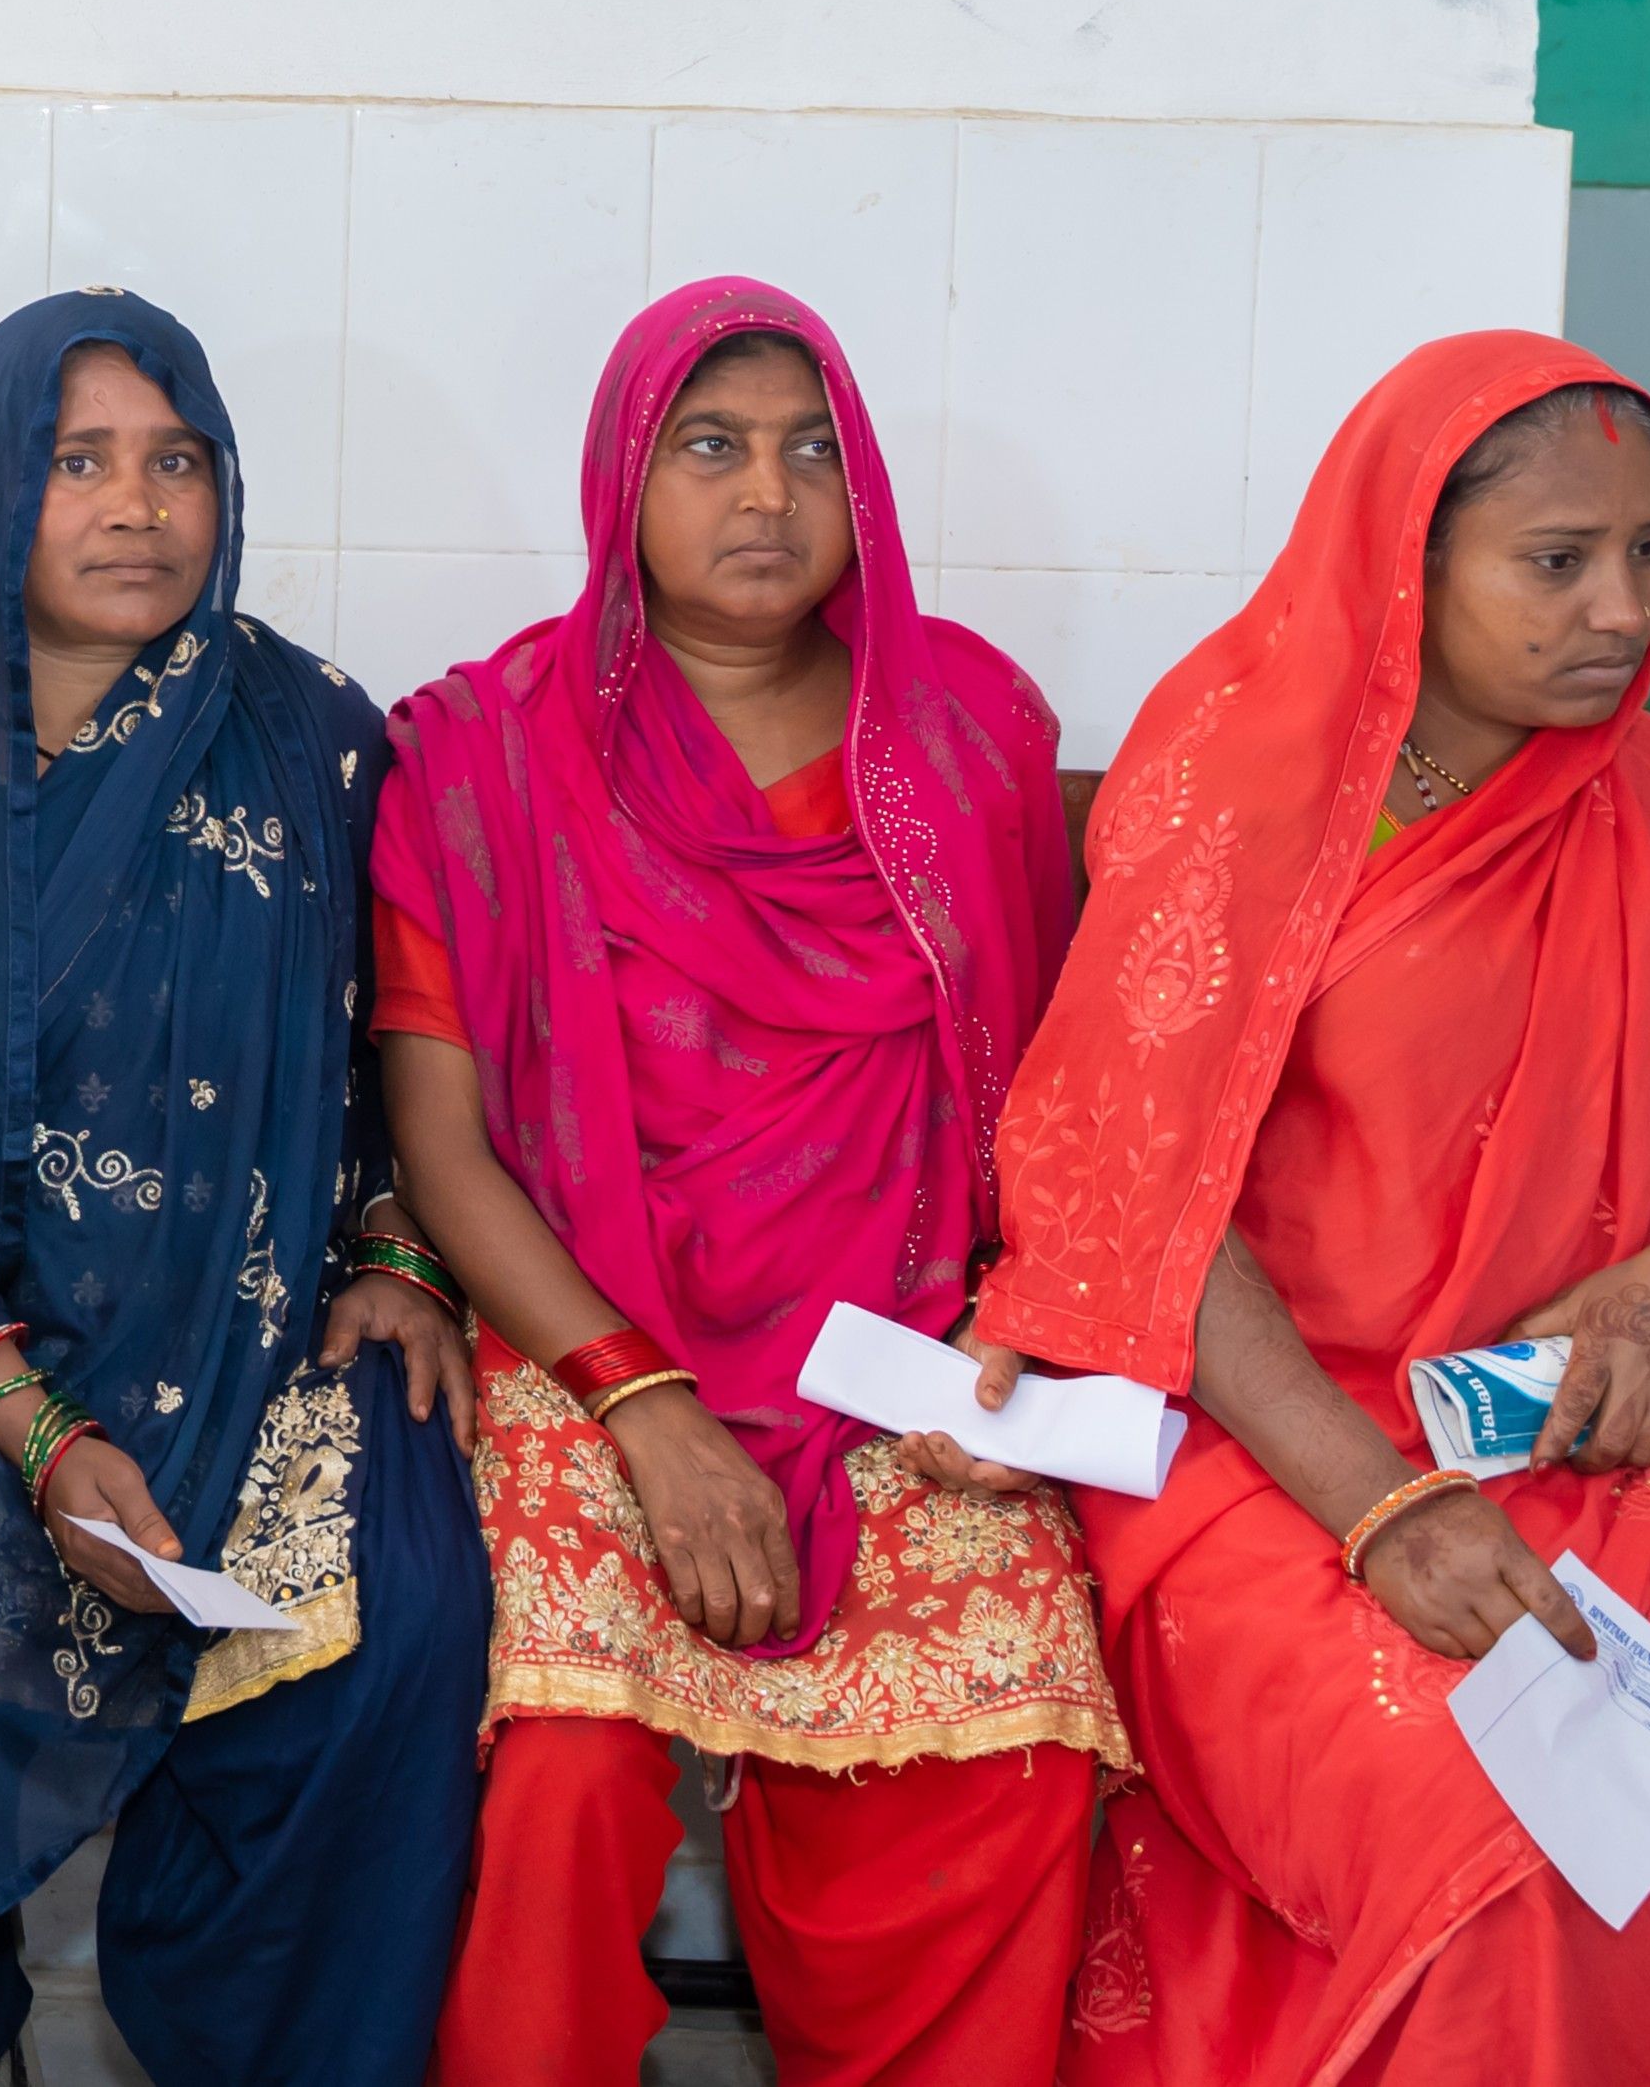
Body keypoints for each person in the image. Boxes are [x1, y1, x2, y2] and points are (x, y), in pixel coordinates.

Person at [965, 331, 1650, 2086]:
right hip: (1271, 1456)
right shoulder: (1236, 790)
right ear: (1403, 562)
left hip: (1595, 1442)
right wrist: (1383, 1512)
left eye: (1649, 551)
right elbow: (1136, 1199)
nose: (1621, 607)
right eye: (1556, 561)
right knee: (1486, 1835)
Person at [0, 289, 489, 2087]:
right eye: (78, 462)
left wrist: (392, 1248)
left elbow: (408, 1045)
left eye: (177, 462)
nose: (136, 504)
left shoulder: (314, 740)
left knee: (409, 1599)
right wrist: (45, 1434)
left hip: (257, 1325)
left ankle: (269, 2043)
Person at [374, 277, 1126, 2087]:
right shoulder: (481, 752)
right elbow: (442, 1142)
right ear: (624, 479)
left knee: (1012, 1731)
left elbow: (1058, 1097)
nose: (767, 495)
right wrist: (643, 1405)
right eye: (709, 446)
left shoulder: (966, 738)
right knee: (551, 1763)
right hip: (590, 1339)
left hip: (904, 1350)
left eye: (809, 450)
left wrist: (1015, 1341)